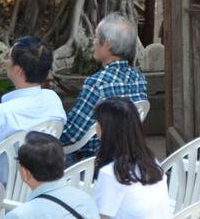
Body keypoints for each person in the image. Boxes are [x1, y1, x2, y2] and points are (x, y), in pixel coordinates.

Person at [0, 37, 65, 183]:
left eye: (8, 57)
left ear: (18, 70)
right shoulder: (53, 100)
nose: (5, 61)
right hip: (38, 182)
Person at [92, 97, 169, 219]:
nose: (95, 126)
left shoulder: (111, 173)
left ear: (106, 129)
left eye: (97, 122)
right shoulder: (151, 162)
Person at [60, 13, 148, 156]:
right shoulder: (139, 78)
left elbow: (71, 135)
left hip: (94, 158)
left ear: (107, 44)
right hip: (127, 153)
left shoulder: (97, 83)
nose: (93, 41)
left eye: (95, 37)